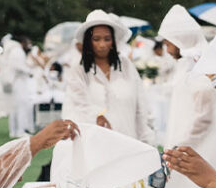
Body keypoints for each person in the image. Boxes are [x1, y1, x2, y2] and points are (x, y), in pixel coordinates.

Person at [158, 5, 216, 188]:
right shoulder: (186, 63)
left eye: (169, 43)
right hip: (187, 144)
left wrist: (180, 146)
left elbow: (203, 117)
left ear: (179, 41)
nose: (167, 49)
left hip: (202, 146)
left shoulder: (201, 64)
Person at [63, 11, 154, 144]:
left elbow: (140, 106)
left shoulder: (126, 65)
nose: (102, 44)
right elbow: (79, 105)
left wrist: (146, 139)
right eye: (96, 39)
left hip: (128, 140)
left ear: (113, 40)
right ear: (88, 41)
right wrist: (97, 116)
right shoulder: (79, 70)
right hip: (96, 143)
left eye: (107, 39)